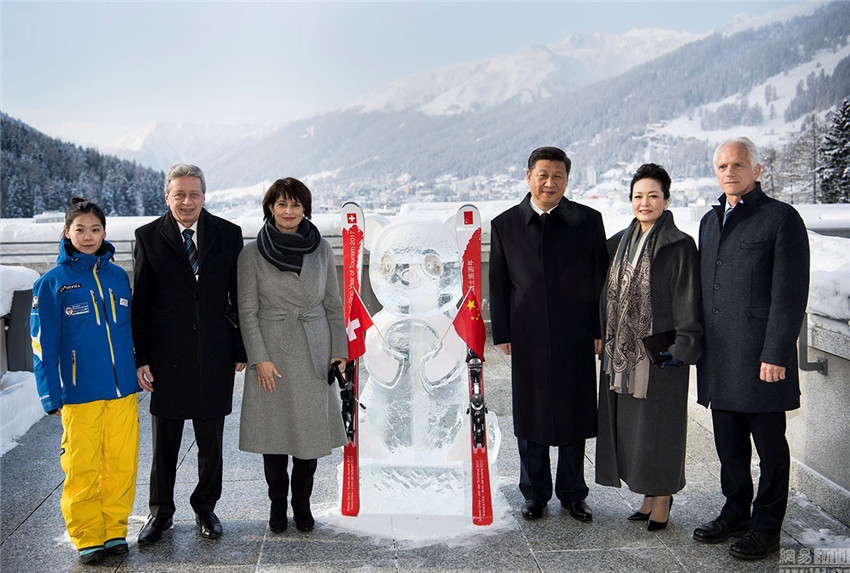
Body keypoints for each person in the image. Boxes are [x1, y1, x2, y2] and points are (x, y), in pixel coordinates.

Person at [694, 137, 810, 560]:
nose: (730, 172)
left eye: (738, 165)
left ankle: (767, 527)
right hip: (720, 358)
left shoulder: (781, 218)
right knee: (729, 445)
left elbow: (791, 293)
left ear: (756, 170)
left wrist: (777, 353)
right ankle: (736, 511)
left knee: (770, 449)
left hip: (762, 359)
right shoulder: (709, 221)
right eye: (722, 166)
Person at [489, 146, 608, 522]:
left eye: (558, 175)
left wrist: (598, 329)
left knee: (575, 413)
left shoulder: (588, 220)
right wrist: (504, 333)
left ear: (567, 179)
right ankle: (535, 493)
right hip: (528, 335)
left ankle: (574, 493)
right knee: (532, 415)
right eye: (543, 175)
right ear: (529, 177)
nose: (550, 182)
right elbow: (500, 283)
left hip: (576, 334)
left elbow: (599, 280)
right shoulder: (506, 224)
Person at [132, 164, 246, 544]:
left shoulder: (228, 234)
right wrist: (141, 357)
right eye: (178, 194)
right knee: (165, 439)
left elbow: (240, 296)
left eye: (193, 193)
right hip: (167, 357)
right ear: (167, 196)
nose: (186, 201)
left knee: (211, 440)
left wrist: (241, 346)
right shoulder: (148, 236)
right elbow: (141, 303)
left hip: (215, 351)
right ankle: (159, 512)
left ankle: (205, 507)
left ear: (204, 196)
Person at [30, 198, 140, 564]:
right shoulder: (52, 283)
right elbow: (42, 344)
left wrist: (140, 367)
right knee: (82, 467)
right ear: (67, 232)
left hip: (122, 391)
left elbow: (130, 331)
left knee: (121, 464)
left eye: (95, 229)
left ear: (105, 232)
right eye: (80, 229)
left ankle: (114, 531)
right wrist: (50, 393)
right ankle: (88, 535)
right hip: (79, 393)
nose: (88, 236)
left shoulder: (117, 277)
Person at [594, 163, 702, 531]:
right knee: (635, 429)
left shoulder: (679, 244)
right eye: (639, 196)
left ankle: (663, 498)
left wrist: (684, 347)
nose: (645, 202)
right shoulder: (618, 243)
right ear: (630, 200)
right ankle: (647, 495)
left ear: (666, 200)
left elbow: (688, 297)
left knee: (661, 428)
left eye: (653, 195)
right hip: (625, 355)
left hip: (662, 352)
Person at [236, 178, 347, 533]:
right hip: (272, 352)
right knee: (276, 435)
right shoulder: (251, 254)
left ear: (306, 209)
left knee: (309, 434)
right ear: (270, 207)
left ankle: (302, 503)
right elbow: (247, 311)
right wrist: (259, 358)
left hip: (314, 349)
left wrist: (338, 352)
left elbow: (333, 302)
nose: (289, 212)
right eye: (282, 204)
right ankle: (276, 505)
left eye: (296, 205)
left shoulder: (322, 249)